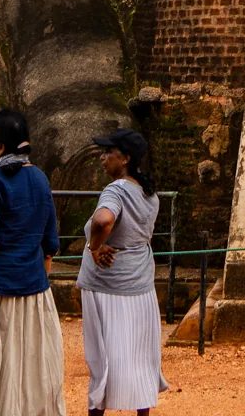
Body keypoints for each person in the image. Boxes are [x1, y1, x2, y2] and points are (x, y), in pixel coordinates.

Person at [0, 109, 65, 416]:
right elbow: (49, 247)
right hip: (35, 297)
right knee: (28, 371)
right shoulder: (40, 179)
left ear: (0, 147)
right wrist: (35, 283)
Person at [77, 130, 169, 416]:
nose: (103, 158)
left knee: (103, 357)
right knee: (140, 356)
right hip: (140, 282)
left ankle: (97, 410)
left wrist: (94, 247)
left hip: (106, 284)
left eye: (109, 153)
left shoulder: (115, 190)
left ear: (126, 158)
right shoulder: (149, 194)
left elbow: (103, 220)